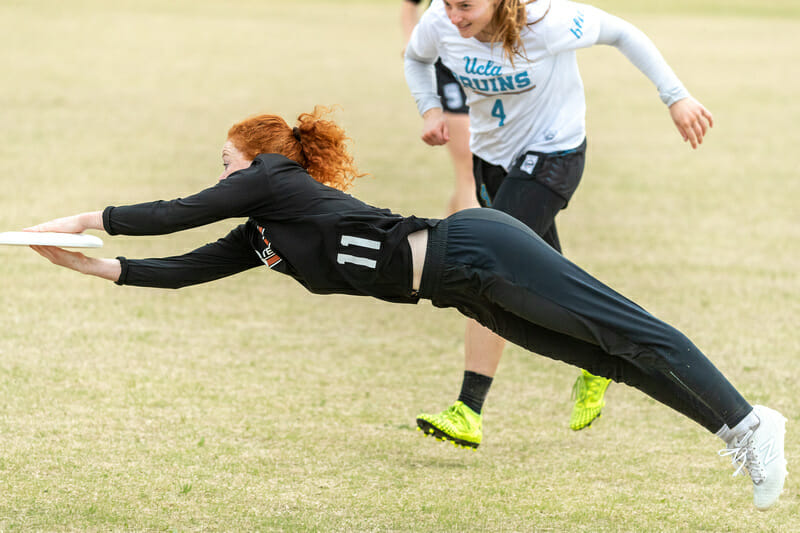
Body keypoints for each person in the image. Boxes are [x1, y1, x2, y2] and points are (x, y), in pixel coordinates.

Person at [27, 108, 784, 511]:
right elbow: (182, 268)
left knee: (631, 333)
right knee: (605, 355)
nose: (220, 177)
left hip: (480, 250)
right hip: (462, 287)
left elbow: (173, 212)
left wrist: (83, 215)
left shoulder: (274, 179)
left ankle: (752, 421)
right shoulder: (263, 235)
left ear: (258, 162)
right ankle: (735, 429)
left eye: (227, 163)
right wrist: (89, 264)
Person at [404, 0, 715, 439]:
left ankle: (468, 408)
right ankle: (600, 357)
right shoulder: (439, 20)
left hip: (554, 152)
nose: (454, 16)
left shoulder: (547, 20)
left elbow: (623, 32)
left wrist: (676, 96)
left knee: (487, 261)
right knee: (546, 279)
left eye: (466, 7)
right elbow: (416, 59)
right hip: (492, 159)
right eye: (450, 4)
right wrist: (429, 109)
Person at [401, 0, 479, 215]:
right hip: (448, 73)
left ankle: (451, 241)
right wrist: (411, 41)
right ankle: (468, 245)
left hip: (487, 73)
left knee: (477, 174)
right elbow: (409, 4)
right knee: (470, 168)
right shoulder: (438, 19)